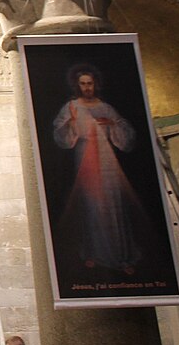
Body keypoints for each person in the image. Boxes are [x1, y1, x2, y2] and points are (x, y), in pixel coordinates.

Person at [51, 63, 145, 273]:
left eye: (90, 84)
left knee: (114, 206)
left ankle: (122, 256)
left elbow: (124, 130)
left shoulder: (105, 107)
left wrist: (111, 125)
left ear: (95, 84)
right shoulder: (72, 107)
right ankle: (94, 252)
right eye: (83, 84)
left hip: (107, 161)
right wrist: (71, 124)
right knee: (92, 206)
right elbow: (60, 132)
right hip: (85, 158)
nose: (87, 88)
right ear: (77, 85)